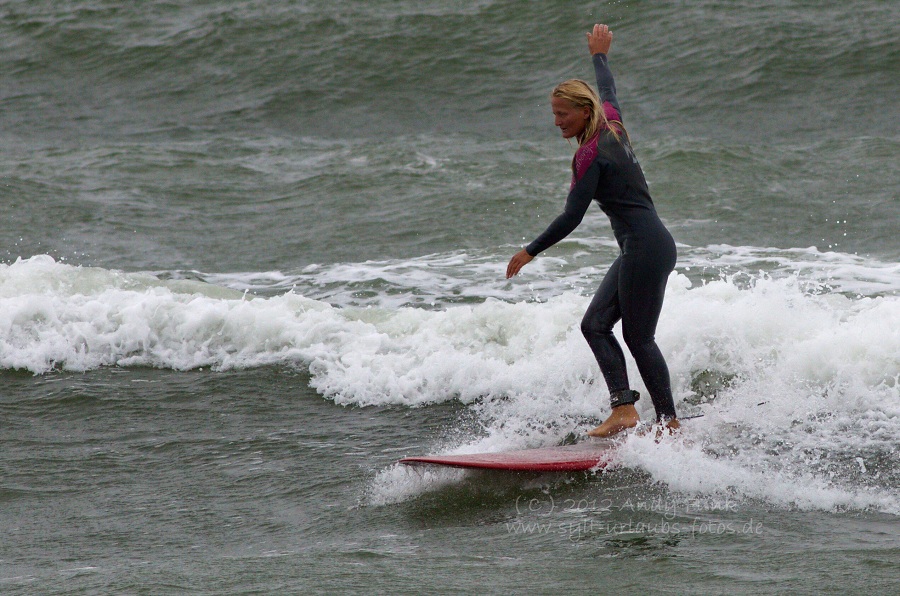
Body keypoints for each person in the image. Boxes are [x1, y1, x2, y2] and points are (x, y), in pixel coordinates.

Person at [506, 24, 679, 437]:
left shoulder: (589, 154)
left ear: (584, 112)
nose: (556, 122)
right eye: (553, 113)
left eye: (562, 114)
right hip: (646, 246)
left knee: (639, 338)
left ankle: (669, 422)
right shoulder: (613, 127)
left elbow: (571, 216)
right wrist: (600, 56)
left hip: (643, 248)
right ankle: (625, 410)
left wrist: (530, 250)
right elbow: (609, 93)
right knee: (595, 325)